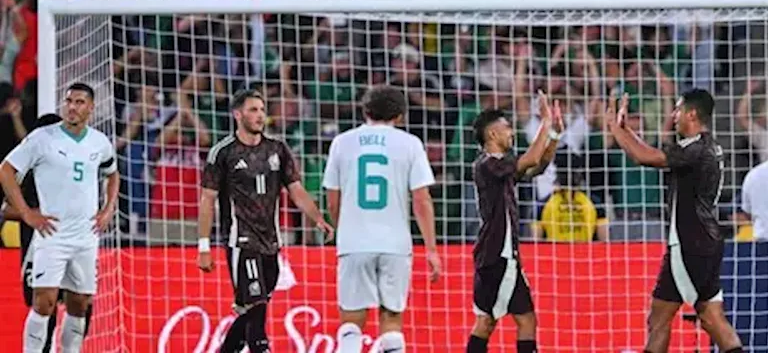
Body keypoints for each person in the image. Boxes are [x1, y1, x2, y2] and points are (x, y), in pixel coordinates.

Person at [608, 90, 745, 353]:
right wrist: (626, 131)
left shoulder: (694, 149)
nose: (674, 116)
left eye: (678, 110)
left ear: (692, 114)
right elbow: (650, 151)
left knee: (681, 319)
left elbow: (644, 157)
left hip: (689, 243)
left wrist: (616, 129)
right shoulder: (707, 146)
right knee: (694, 318)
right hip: (701, 241)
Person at [197, 89, 333, 353]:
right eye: (253, 110)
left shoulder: (277, 149)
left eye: (261, 109)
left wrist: (318, 218)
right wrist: (204, 246)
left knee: (252, 308)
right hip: (241, 241)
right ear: (237, 114)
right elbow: (207, 200)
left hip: (272, 241)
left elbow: (296, 189)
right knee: (257, 307)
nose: (260, 115)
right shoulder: (223, 152)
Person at [324, 86, 445, 353]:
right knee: (391, 319)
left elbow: (332, 199)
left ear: (364, 110)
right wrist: (432, 250)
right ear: (400, 116)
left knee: (352, 322)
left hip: (354, 241)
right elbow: (422, 200)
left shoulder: (342, 142)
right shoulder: (410, 143)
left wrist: (343, 228)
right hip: (395, 244)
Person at [0, 83, 118, 353]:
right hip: (51, 236)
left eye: (79, 102)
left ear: (91, 107)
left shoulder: (99, 142)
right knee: (44, 303)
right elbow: (5, 170)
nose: (72, 107)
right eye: (69, 101)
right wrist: (28, 213)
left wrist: (108, 209)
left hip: (86, 236)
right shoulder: (43, 138)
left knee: (80, 305)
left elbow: (113, 173)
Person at [465, 95, 566, 353]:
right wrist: (544, 122)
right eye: (507, 127)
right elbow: (531, 159)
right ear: (492, 133)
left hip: (501, 256)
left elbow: (538, 166)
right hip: (496, 255)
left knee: (513, 320)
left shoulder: (502, 167)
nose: (511, 132)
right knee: (496, 322)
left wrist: (553, 136)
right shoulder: (487, 164)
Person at [2, 113, 93, 353]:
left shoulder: (78, 168)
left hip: (75, 245)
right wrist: (32, 213)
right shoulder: (26, 171)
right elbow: (4, 209)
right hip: (37, 248)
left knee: (82, 305)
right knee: (45, 309)